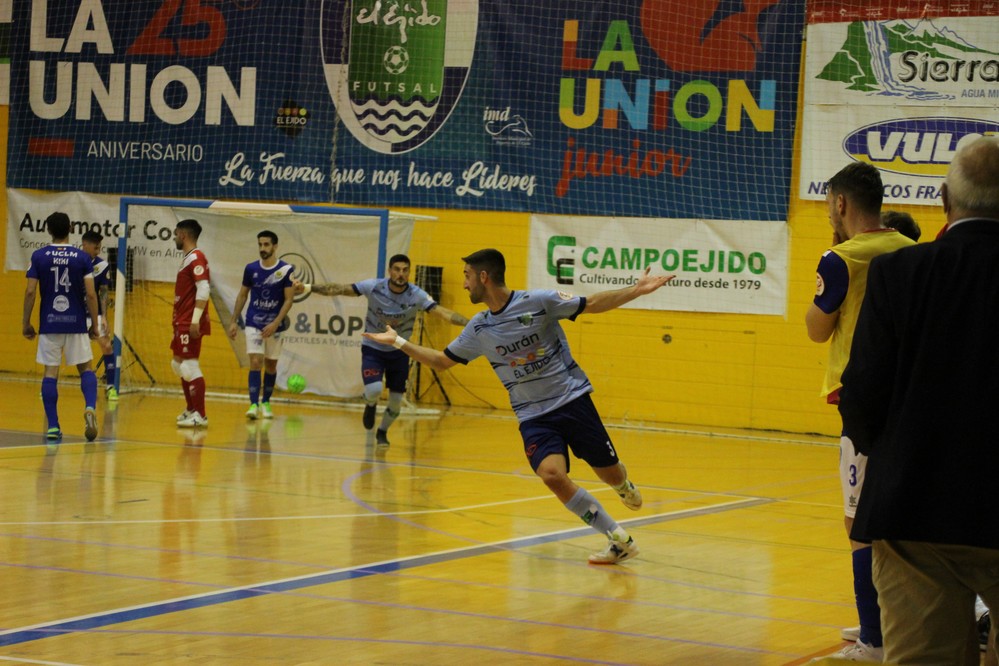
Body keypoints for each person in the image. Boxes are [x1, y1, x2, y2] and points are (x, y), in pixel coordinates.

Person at [363, 248, 674, 564]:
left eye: (468, 277)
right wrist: (399, 343)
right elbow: (442, 361)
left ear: (484, 277)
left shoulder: (539, 302)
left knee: (609, 474)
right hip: (533, 415)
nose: (465, 285)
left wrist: (636, 290)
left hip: (572, 399)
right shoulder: (479, 328)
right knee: (552, 475)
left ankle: (623, 485)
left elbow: (592, 304)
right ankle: (618, 539)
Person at [838, 136, 999, 664]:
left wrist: (894, 453)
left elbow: (860, 395)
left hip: (915, 509)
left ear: (946, 202)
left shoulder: (900, 273)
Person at [804, 162, 915, 661]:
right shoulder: (914, 251)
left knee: (857, 522)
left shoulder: (841, 259)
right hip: (912, 397)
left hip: (860, 401)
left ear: (841, 204)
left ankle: (873, 638)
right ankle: (893, 622)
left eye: (830, 202)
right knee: (904, 519)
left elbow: (816, 329)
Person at [310, 254, 468, 446]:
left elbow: (442, 312)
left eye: (405, 270)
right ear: (390, 271)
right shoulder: (374, 287)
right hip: (373, 348)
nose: (401, 274)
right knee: (375, 389)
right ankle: (370, 403)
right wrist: (308, 288)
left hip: (400, 349)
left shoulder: (416, 295)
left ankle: (382, 431)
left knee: (395, 402)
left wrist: (470, 323)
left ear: (409, 272)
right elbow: (341, 289)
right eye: (397, 269)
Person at [22, 212, 101, 442]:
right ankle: (90, 408)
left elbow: (30, 292)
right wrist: (95, 325)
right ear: (71, 228)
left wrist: (26, 323)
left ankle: (54, 427)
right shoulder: (83, 258)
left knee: (50, 373)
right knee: (86, 368)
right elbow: (90, 294)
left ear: (48, 230)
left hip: (49, 323)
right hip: (76, 321)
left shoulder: (38, 256)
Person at [227, 230, 297, 420]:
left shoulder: (285, 270)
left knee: (271, 365)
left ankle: (266, 402)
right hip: (254, 322)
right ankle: (253, 405)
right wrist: (233, 320)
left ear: (275, 246)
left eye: (266, 245)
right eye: (260, 244)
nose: (262, 248)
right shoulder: (251, 269)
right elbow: (243, 295)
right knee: (256, 362)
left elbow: (289, 300)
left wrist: (275, 323)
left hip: (274, 326)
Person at [172, 219, 211, 428]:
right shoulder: (188, 258)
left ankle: (201, 415)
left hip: (190, 321)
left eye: (176, 233)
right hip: (181, 321)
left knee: (190, 365)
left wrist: (195, 320)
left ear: (183, 235)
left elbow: (204, 288)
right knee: (178, 364)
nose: (174, 237)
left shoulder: (196, 257)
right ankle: (190, 409)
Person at [80, 230, 118, 401]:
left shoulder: (101, 266)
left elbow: (103, 292)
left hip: (93, 313)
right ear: (84, 245)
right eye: (95, 248)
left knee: (107, 346)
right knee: (59, 348)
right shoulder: (74, 261)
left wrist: (103, 316)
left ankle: (110, 387)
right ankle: (48, 386)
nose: (98, 251)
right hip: (75, 313)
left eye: (100, 248)